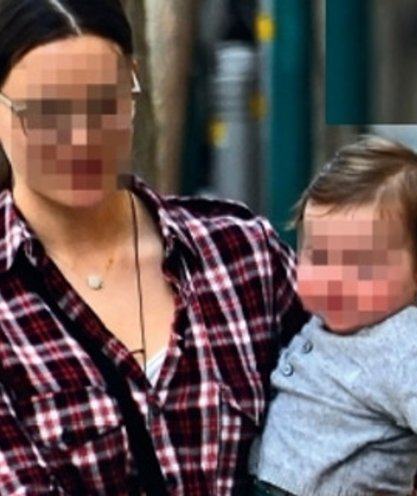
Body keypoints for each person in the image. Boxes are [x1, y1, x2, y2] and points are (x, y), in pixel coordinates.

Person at [0, 0, 309, 493]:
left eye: (104, 102)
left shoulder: (242, 256)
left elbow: (368, 411)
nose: (81, 137)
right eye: (46, 111)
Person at [250, 136, 417, 495]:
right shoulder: (324, 320)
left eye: (362, 265)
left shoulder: (407, 344)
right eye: (320, 257)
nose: (335, 280)